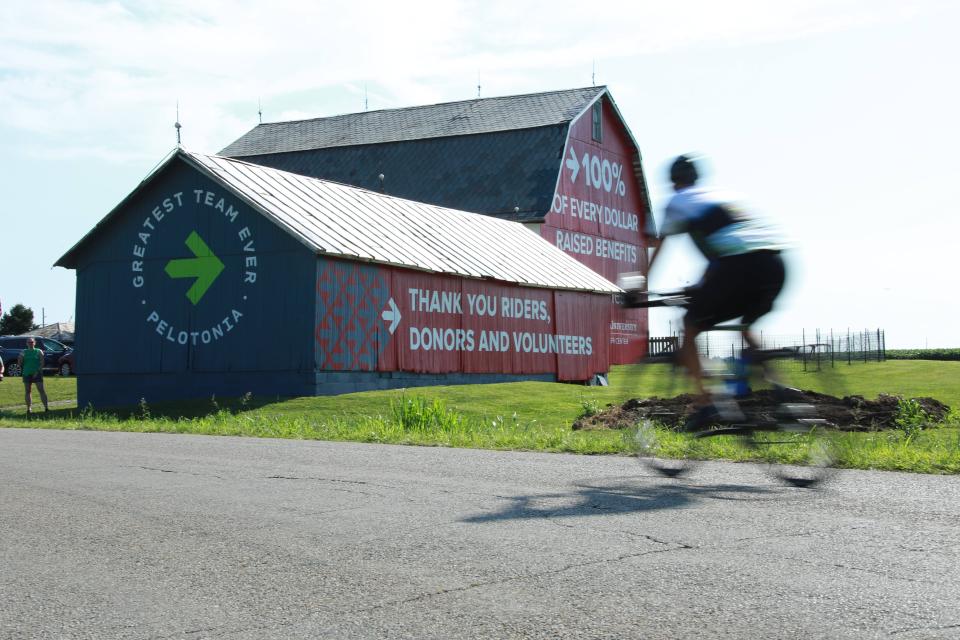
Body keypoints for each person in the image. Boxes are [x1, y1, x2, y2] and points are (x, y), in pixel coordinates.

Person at [646, 155, 786, 426]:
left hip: (739, 266)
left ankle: (707, 402)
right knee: (745, 326)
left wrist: (640, 285)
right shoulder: (723, 195)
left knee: (689, 326)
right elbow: (722, 255)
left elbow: (660, 247)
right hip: (775, 264)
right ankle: (782, 391)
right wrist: (702, 286)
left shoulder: (678, 201)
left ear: (675, 182)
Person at [18, 337, 49, 415]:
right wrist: (20, 358)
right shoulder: (24, 352)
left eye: (32, 342)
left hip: (37, 373)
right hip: (26, 373)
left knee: (41, 390)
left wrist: (37, 371)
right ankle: (29, 408)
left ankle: (46, 407)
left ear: (34, 343)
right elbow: (20, 363)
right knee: (28, 391)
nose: (30, 344)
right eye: (29, 342)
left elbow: (42, 363)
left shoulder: (39, 351)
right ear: (26, 344)